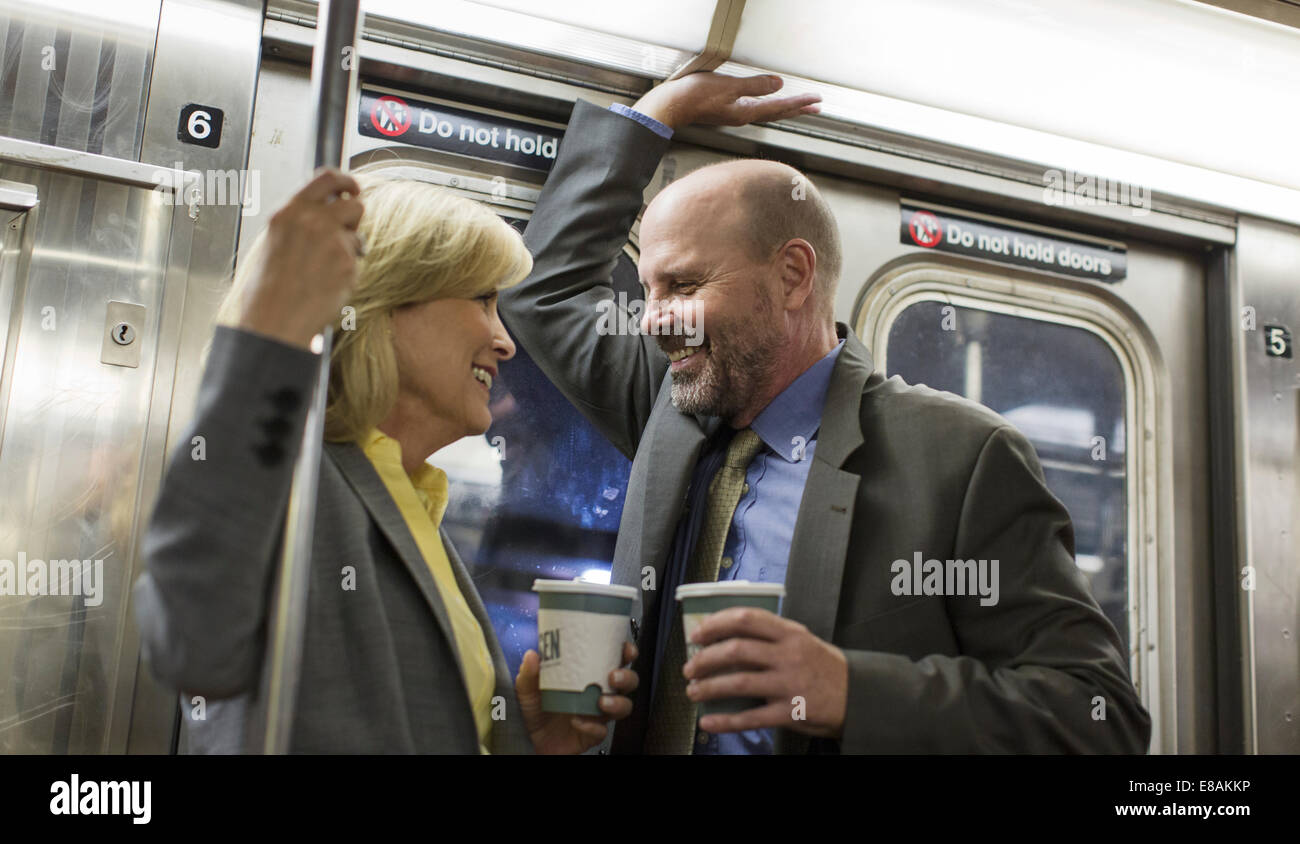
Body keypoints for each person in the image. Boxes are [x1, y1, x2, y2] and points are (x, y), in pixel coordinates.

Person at [498, 71, 1152, 754]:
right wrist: (653, 115)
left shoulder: (959, 455)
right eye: (651, 287)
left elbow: (1096, 715)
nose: (657, 320)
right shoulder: (672, 406)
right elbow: (542, 291)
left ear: (792, 276)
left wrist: (848, 690)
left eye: (685, 285)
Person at [133, 170, 637, 753]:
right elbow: (191, 644)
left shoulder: (411, 498)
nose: (505, 341)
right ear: (388, 301)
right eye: (482, 299)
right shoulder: (299, 478)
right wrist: (270, 331)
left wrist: (521, 741)